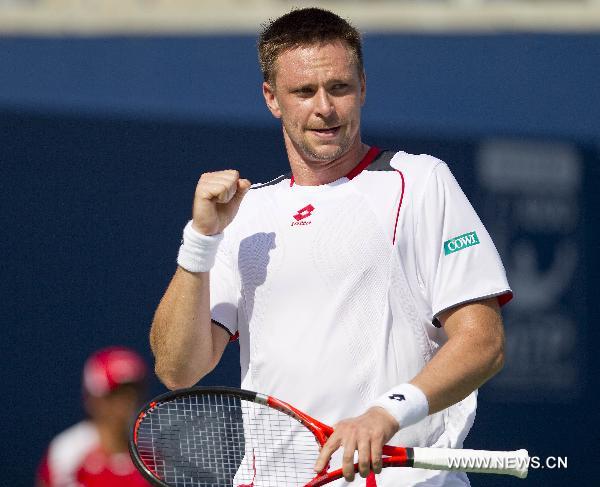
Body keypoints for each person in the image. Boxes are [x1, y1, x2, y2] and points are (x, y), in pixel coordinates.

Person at [150, 7, 513, 486]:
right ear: (271, 99)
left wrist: (386, 413)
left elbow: (482, 343)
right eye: (303, 91)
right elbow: (177, 370)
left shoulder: (420, 181)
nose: (324, 107)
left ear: (362, 87)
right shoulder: (246, 214)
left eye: (339, 87)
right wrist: (200, 241)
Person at [36, 346, 151, 487]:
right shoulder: (66, 452)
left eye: (133, 393)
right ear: (93, 400)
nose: (127, 403)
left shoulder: (155, 454)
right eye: (115, 395)